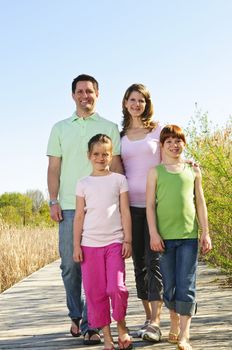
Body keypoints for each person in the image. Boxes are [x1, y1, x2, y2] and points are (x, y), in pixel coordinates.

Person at [47, 74, 123, 344]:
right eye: (80, 91)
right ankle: (75, 315)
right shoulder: (59, 127)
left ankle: (92, 323)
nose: (85, 96)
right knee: (70, 266)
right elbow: (54, 167)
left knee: (95, 270)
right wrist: (53, 200)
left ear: (97, 94)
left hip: (102, 210)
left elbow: (117, 169)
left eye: (90, 91)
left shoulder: (110, 126)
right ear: (73, 95)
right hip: (68, 206)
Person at [146, 124, 212, 350]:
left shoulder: (193, 170)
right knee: (171, 285)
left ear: (184, 143)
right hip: (164, 238)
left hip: (189, 237)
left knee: (187, 283)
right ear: (162, 146)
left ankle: (185, 334)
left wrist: (206, 232)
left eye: (178, 141)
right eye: (169, 142)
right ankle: (173, 320)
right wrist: (153, 233)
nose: (174, 145)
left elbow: (200, 203)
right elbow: (149, 207)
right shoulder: (155, 172)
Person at [73, 134, 133, 350]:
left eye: (105, 154)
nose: (101, 158)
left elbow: (125, 211)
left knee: (117, 288)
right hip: (89, 246)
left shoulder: (119, 180)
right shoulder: (83, 183)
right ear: (89, 156)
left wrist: (128, 239)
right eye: (96, 154)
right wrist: (76, 246)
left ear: (111, 155)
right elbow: (79, 216)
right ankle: (107, 337)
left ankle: (122, 326)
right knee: (95, 293)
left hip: (115, 243)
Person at [120, 84, 163, 342]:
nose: (137, 104)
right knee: (138, 264)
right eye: (132, 99)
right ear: (125, 103)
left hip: (154, 206)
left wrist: (188, 164)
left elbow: (172, 153)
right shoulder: (121, 134)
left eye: (141, 100)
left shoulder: (156, 129)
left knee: (153, 261)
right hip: (130, 208)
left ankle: (157, 322)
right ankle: (147, 317)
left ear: (147, 103)